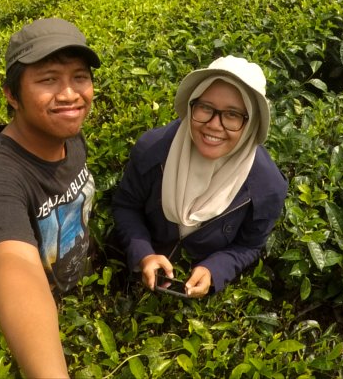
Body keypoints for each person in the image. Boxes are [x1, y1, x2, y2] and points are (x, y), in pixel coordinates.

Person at [0, 18, 100, 378]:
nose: (70, 94)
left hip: (85, 285)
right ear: (12, 94)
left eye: (80, 77)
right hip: (49, 320)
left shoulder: (70, 138)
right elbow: (16, 265)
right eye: (48, 79)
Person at [112, 55, 287, 298]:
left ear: (251, 123)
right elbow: (126, 206)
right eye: (206, 108)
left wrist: (214, 270)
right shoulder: (153, 149)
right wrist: (143, 254)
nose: (214, 125)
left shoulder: (267, 186)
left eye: (233, 115)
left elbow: (250, 244)